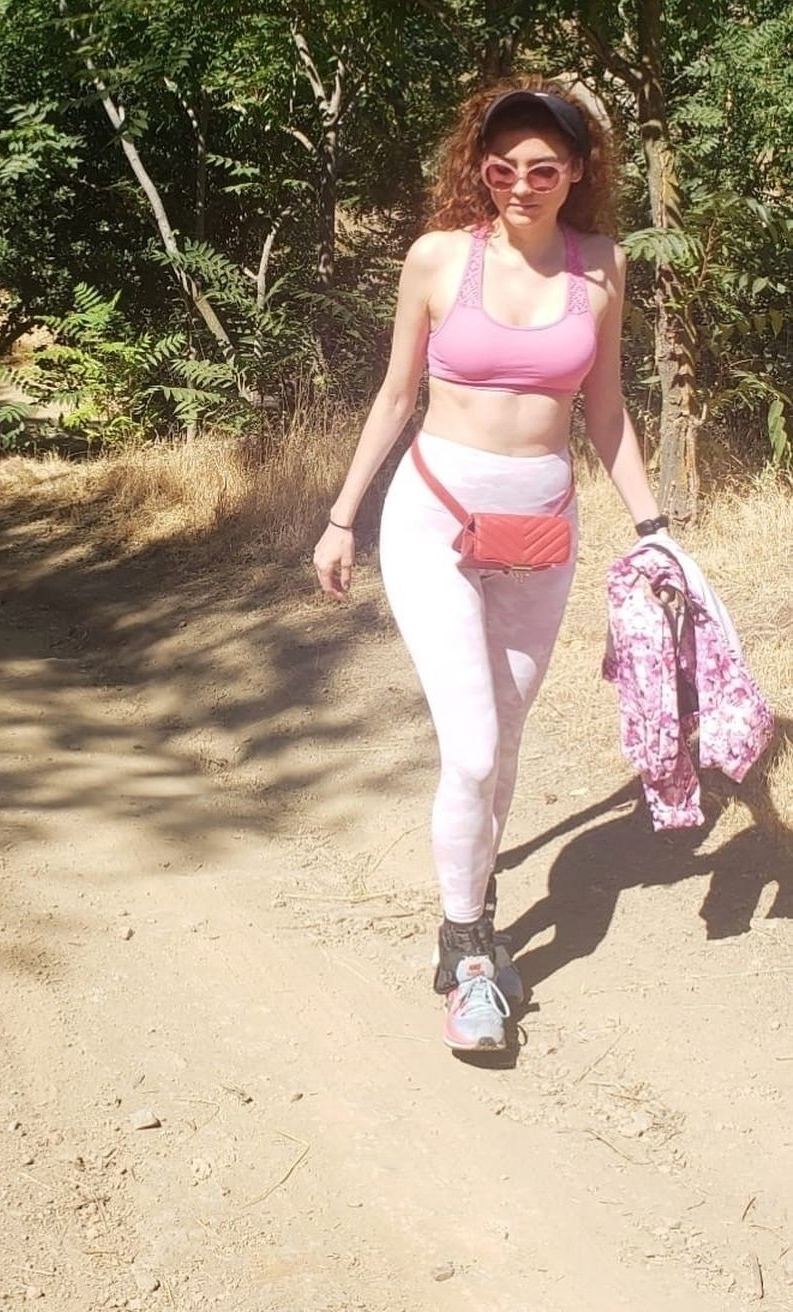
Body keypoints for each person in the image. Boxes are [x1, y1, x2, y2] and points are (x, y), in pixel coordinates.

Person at [312, 81, 667, 1055]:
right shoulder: (438, 258)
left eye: (543, 168)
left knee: (502, 742)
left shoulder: (601, 266)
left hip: (540, 527)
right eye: (501, 165)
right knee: (470, 750)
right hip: (434, 514)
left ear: (577, 172)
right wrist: (341, 518)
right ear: (478, 167)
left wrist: (652, 527)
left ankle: (470, 888)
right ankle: (468, 952)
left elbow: (605, 412)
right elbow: (394, 396)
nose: (519, 183)